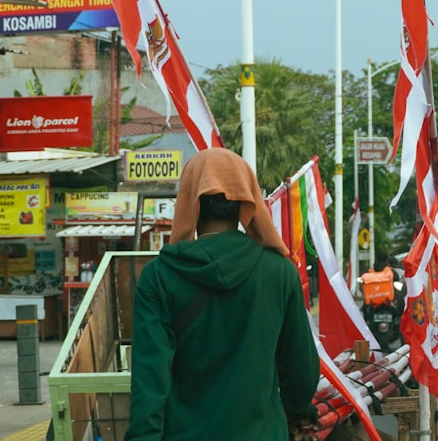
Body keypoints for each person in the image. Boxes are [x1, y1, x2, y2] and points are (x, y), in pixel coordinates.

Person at [125, 148, 320, 440]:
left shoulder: (160, 276)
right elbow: (300, 372)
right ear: (244, 203)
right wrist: (298, 412)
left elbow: (149, 381)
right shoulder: (279, 272)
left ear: (191, 203)